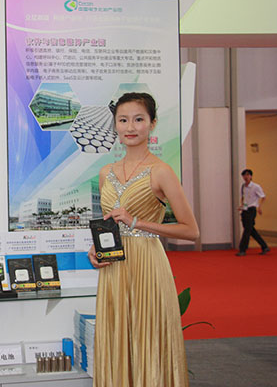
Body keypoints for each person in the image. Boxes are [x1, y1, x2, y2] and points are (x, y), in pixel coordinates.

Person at [88, 92, 199, 387]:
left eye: (138, 119)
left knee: (147, 336)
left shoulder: (161, 171)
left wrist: (138, 223)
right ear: (115, 124)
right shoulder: (105, 173)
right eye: (123, 120)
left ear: (152, 123)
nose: (130, 127)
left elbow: (191, 230)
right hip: (113, 268)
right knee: (117, 338)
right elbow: (109, 223)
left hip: (147, 265)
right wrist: (95, 248)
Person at [236, 169, 269, 256]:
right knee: (250, 230)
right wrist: (242, 206)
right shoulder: (243, 186)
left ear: (251, 176)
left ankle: (242, 249)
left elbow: (263, 197)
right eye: (244, 175)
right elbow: (244, 198)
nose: (245, 177)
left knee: (247, 230)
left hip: (252, 209)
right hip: (245, 209)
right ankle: (264, 246)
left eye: (247, 175)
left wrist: (259, 207)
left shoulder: (256, 186)